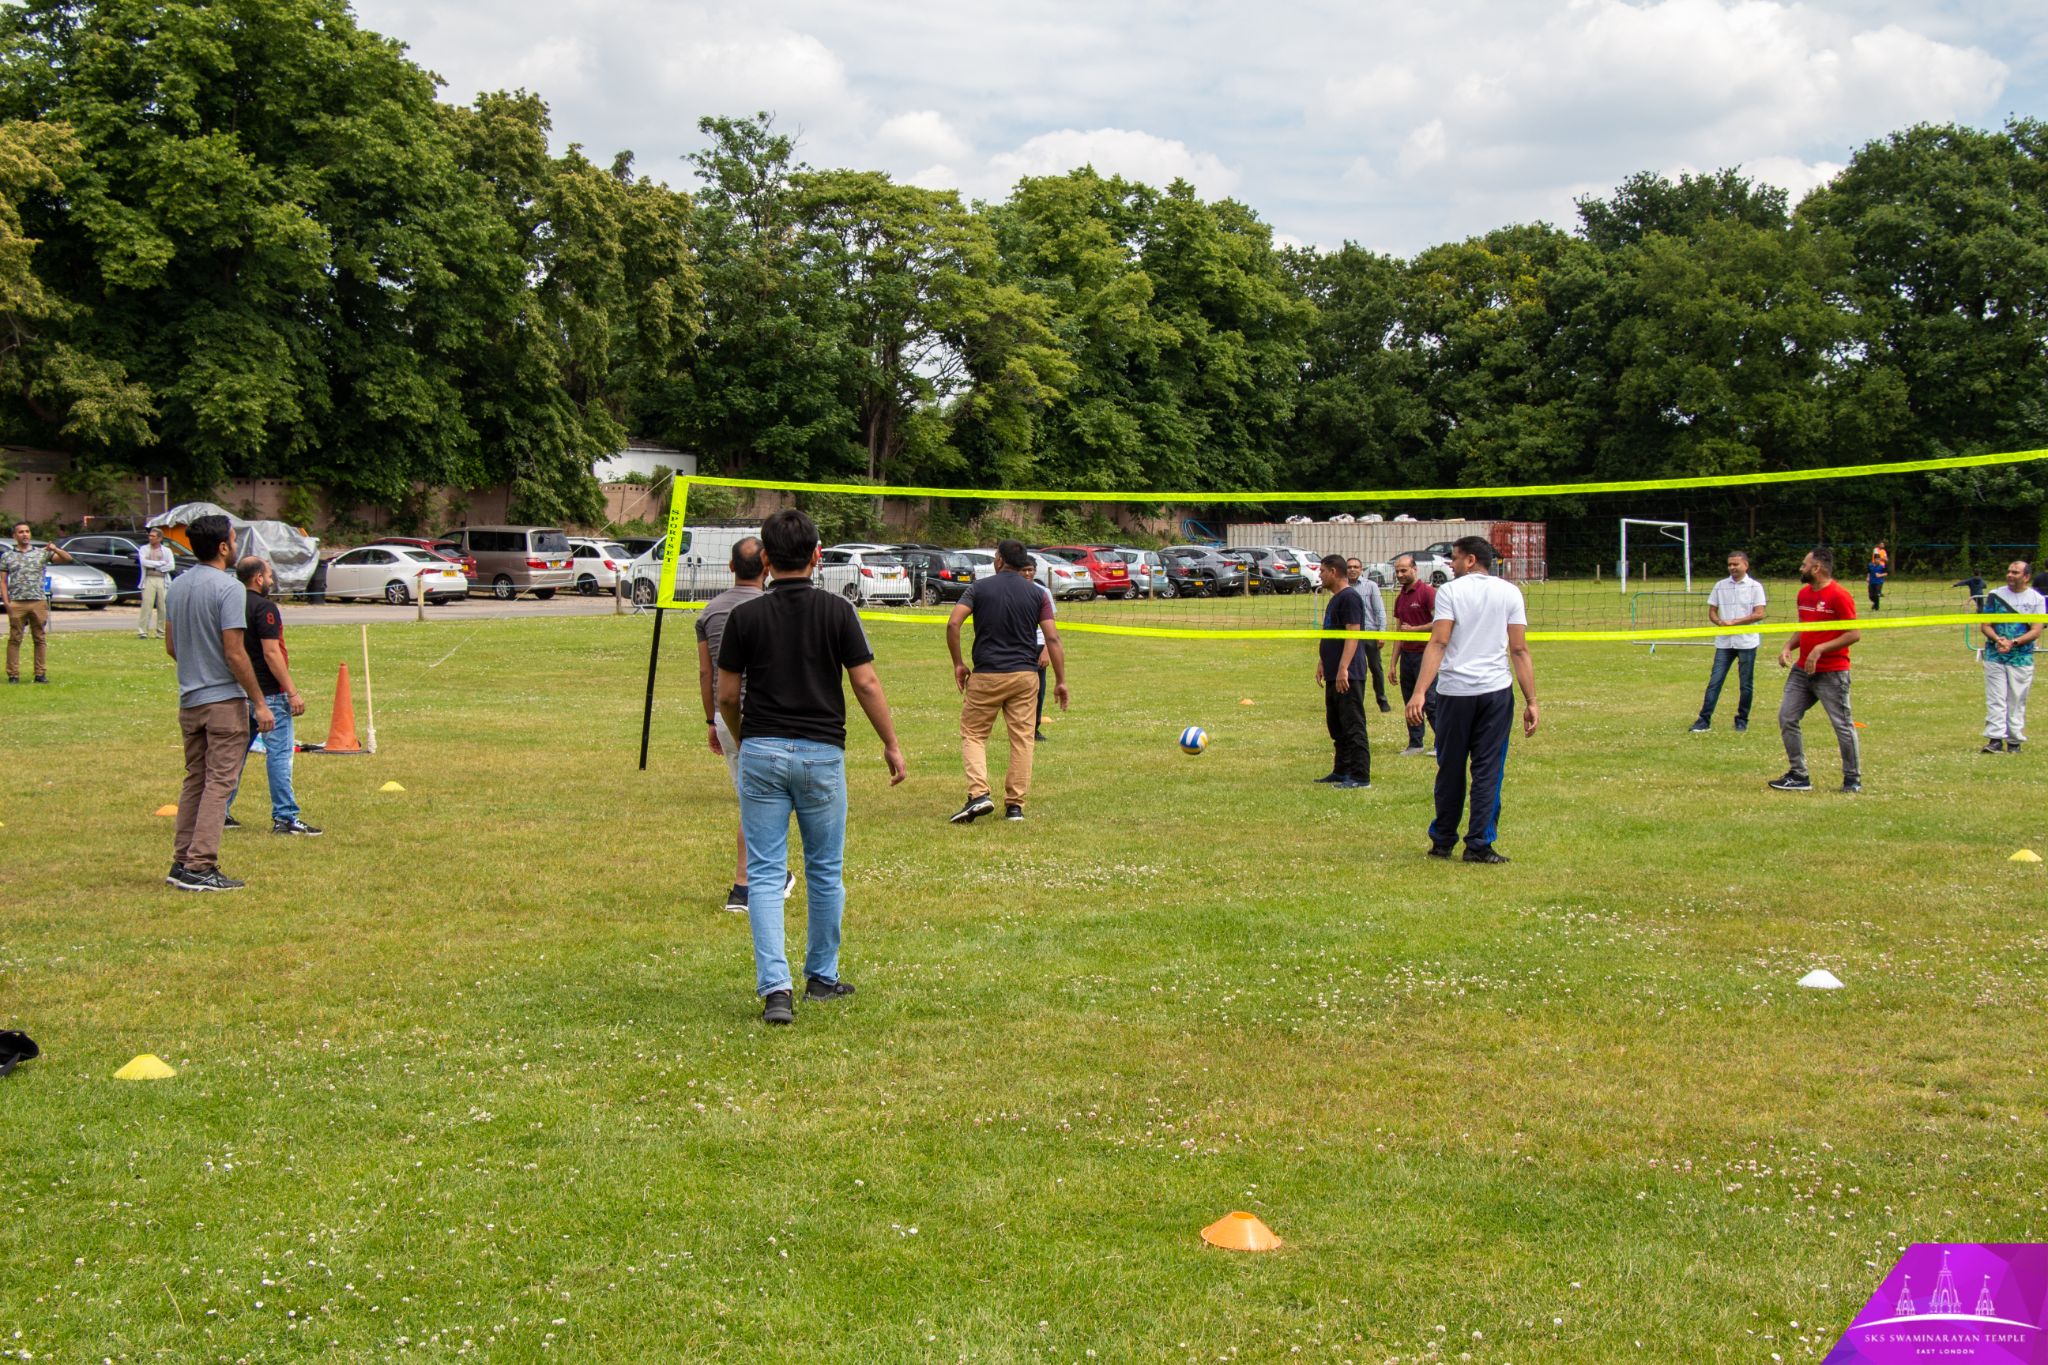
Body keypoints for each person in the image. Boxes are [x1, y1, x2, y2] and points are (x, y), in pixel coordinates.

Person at [716, 509, 906, 1026]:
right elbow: (865, 684)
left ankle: (776, 990)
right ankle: (821, 977)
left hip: (762, 751)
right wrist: (890, 743)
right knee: (825, 870)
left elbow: (728, 694)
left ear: (768, 561)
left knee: (763, 872)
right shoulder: (837, 611)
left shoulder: (745, 616)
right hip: (823, 753)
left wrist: (743, 734)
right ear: (818, 556)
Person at [1405, 536, 1538, 863]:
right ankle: (1478, 844)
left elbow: (1438, 642)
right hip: (1495, 695)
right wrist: (1531, 700)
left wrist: (1420, 691)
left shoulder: (1451, 591)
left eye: (1455, 558)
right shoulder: (1510, 592)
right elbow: (1519, 649)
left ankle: (1443, 841)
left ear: (1471, 560)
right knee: (1488, 771)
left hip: (1455, 695)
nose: (1450, 563)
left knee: (1450, 768)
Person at [164, 515, 275, 891]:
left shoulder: (177, 586)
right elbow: (236, 653)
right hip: (224, 702)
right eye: (233, 539)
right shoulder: (229, 590)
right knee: (219, 784)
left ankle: (182, 861)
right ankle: (200, 865)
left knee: (195, 780)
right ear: (224, 547)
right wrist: (259, 702)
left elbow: (171, 646)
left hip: (190, 700)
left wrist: (198, 669)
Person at [696, 536, 795, 912]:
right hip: (766, 715)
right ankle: (745, 885)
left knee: (755, 800)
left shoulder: (710, 611)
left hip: (727, 715)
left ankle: (761, 877)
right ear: (766, 567)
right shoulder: (774, 607)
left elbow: (708, 674)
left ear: (731, 567)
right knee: (765, 803)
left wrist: (712, 720)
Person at [947, 540, 1068, 823]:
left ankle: (979, 794)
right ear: (1023, 563)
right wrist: (1061, 680)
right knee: (1023, 740)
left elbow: (954, 623)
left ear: (999, 560)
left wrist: (958, 663)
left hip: (987, 674)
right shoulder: (1038, 594)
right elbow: (1052, 637)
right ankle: (1015, 806)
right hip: (1025, 676)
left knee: (974, 734)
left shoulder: (979, 588)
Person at [224, 557, 321, 836]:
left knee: (234, 755)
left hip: (239, 692)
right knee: (279, 755)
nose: (271, 581)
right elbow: (271, 652)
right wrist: (292, 691)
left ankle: (219, 811)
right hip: (268, 695)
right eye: (268, 576)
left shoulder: (231, 604)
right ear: (257, 578)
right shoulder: (264, 608)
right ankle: (285, 817)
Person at [1769, 548, 1862, 794]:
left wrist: (1820, 648)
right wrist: (1789, 646)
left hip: (1832, 672)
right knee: (1787, 717)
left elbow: (1854, 634)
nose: (1801, 569)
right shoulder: (1804, 594)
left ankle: (1852, 779)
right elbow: (1804, 628)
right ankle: (1799, 775)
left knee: (1842, 725)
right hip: (1802, 670)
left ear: (1816, 568)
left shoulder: (1839, 595)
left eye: (1804, 565)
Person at [1690, 551, 1768, 733]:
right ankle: (1704, 720)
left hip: (1746, 642)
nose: (1732, 567)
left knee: (1745, 683)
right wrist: (1719, 622)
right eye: (1729, 564)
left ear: (1745, 565)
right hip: (1724, 643)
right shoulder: (1720, 585)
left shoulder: (1755, 586)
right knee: (1715, 681)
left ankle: (1742, 719)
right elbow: (1712, 612)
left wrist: (1734, 622)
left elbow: (1759, 613)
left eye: (1736, 564)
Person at [1315, 554, 1371, 788]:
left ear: (1334, 572)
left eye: (1322, 571)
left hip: (1349, 673)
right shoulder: (1335, 598)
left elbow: (1353, 633)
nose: (1320, 575)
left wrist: (1343, 668)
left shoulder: (1350, 598)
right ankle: (1341, 770)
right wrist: (1322, 661)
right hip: (1333, 671)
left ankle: (1360, 776)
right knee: (1336, 725)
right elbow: (1331, 634)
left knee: (1353, 724)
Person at [1979, 559, 2044, 754]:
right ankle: (1995, 739)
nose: (2010, 575)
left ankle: (2014, 741)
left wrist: (2013, 642)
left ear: (2026, 577)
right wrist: (1998, 640)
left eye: (2015, 572)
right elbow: (1985, 624)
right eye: (2009, 571)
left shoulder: (2036, 599)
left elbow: (2036, 630)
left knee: (2016, 699)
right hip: (1995, 654)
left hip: (2021, 657)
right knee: (1995, 697)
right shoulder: (1995, 596)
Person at [2, 521, 72, 683]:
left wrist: (55, 549)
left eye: (27, 531)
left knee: (39, 638)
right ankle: (13, 674)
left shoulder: (41, 553)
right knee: (14, 639)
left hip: (38, 601)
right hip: (17, 602)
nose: (25, 534)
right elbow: (3, 582)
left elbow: (67, 558)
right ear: (14, 536)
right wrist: (7, 603)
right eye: (21, 532)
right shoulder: (8, 556)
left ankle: (40, 674)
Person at [1389, 554, 1438, 756]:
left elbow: (1440, 623)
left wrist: (1416, 630)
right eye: (1397, 571)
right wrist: (1393, 663)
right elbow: (1399, 632)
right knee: (1410, 700)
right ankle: (1415, 743)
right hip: (1407, 657)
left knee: (1431, 700)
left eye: (1404, 570)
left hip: (1427, 656)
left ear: (1414, 569)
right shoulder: (1400, 597)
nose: (1400, 574)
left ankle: (1441, 743)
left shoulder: (1428, 593)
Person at [1345, 557, 1392, 712]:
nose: (1352, 569)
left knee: (1376, 668)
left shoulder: (1370, 586)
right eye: (1350, 566)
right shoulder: (1343, 587)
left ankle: (1382, 699)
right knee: (1354, 669)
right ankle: (1356, 700)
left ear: (1361, 569)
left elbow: (1379, 611)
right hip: (1351, 635)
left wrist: (1381, 633)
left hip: (1370, 633)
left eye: (1356, 567)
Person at [1020, 558, 1056, 742]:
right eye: (1024, 570)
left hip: (1038, 645)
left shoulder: (1043, 592)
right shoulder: (1014, 591)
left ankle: (1034, 729)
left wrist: (1046, 651)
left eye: (1031, 570)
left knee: (1038, 690)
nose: (1027, 574)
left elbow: (1051, 627)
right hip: (1019, 647)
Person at [136, 527, 175, 639]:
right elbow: (144, 562)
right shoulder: (144, 549)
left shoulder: (166, 551)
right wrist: (161, 563)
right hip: (149, 579)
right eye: (150, 536)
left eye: (153, 536)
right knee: (146, 606)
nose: (150, 538)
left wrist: (160, 568)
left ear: (159, 538)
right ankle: (142, 632)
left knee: (162, 606)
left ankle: (161, 632)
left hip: (162, 580)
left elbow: (171, 566)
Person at [1866, 544, 1888, 611]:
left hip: (1879, 582)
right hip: (1871, 581)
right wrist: (1867, 577)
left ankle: (1876, 607)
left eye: (1879, 559)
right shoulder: (1870, 565)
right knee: (1871, 596)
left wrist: (1880, 575)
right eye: (1877, 559)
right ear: (1874, 559)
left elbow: (1886, 573)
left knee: (1876, 595)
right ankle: (1875, 603)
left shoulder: (1882, 566)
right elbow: (1868, 572)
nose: (1878, 560)